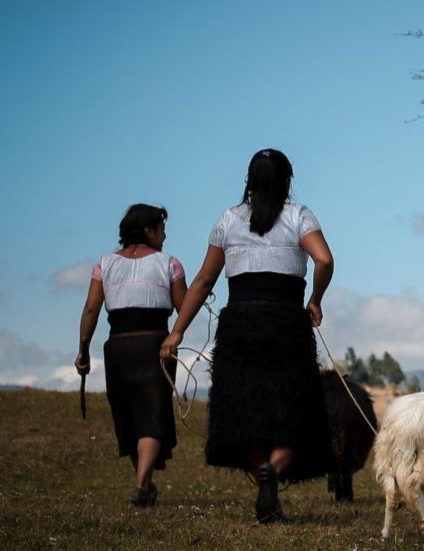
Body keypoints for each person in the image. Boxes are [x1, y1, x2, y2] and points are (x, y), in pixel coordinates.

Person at [162, 148, 336, 523]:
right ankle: (273, 471)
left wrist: (177, 332)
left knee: (248, 414)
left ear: (248, 181)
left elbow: (204, 280)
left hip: (240, 323)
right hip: (287, 322)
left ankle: (265, 484)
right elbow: (323, 260)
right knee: (298, 412)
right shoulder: (299, 215)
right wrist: (315, 299)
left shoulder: (228, 220)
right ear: (287, 181)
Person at [75, 203, 187, 508]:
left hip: (118, 346)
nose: (164, 235)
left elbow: (90, 310)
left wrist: (83, 350)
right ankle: (141, 485)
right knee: (152, 415)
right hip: (156, 344)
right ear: (148, 231)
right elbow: (183, 308)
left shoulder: (104, 264)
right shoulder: (170, 264)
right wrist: (176, 335)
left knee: (129, 417)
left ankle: (145, 486)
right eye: (161, 229)